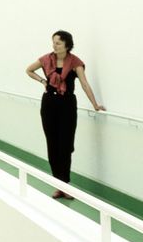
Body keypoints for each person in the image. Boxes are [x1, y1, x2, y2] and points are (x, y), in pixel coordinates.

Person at [25, 30, 104, 199]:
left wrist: (95, 104)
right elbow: (29, 70)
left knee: (65, 145)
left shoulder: (75, 63)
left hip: (67, 105)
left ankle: (65, 184)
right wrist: (43, 81)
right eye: (53, 42)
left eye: (58, 43)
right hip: (49, 104)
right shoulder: (46, 59)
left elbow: (84, 84)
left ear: (67, 45)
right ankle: (58, 185)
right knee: (52, 144)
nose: (54, 45)